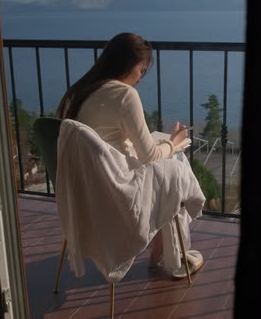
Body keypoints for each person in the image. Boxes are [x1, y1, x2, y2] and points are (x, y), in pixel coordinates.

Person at [56, 32, 203, 278]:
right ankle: (173, 258)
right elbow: (151, 157)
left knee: (168, 168)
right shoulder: (124, 95)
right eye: (141, 70)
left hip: (86, 190)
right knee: (174, 164)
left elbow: (103, 140)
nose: (140, 77)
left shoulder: (80, 91)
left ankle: (165, 252)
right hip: (116, 192)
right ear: (127, 66)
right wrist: (173, 141)